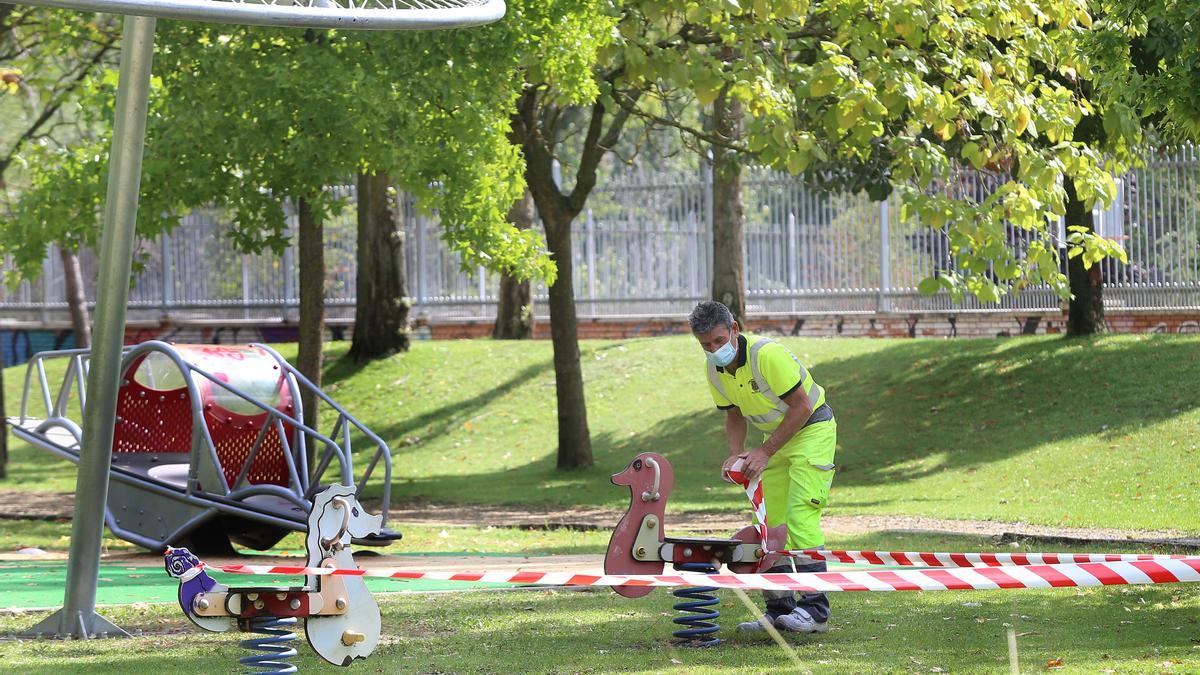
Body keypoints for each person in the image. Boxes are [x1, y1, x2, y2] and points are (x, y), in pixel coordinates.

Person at [688, 300, 836, 634]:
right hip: (777, 439)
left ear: (734, 330)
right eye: (705, 345)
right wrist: (736, 453)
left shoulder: (767, 355)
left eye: (718, 340)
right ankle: (780, 611)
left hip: (812, 429)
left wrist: (765, 451)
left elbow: (802, 406)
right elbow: (734, 413)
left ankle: (815, 612)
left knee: (801, 516)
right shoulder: (714, 368)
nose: (713, 349)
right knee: (771, 524)